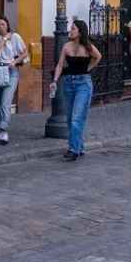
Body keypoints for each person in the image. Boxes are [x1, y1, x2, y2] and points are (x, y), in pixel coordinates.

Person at [50, 19, 101, 160]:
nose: (70, 31)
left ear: (80, 32)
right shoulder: (67, 46)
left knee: (76, 117)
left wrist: (88, 68)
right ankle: (80, 147)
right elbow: (60, 65)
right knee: (69, 119)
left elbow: (98, 57)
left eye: (73, 28)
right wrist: (54, 81)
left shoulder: (88, 47)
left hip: (83, 84)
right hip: (69, 84)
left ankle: (73, 149)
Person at [0, 16, 28, 145]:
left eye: (3, 24)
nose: (0, 27)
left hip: (11, 71)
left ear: (7, 25)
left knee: (5, 101)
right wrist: (4, 39)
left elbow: (25, 53)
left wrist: (14, 61)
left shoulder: (15, 37)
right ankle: (2, 131)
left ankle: (4, 130)